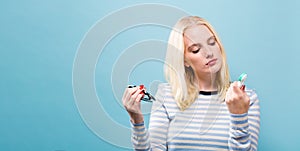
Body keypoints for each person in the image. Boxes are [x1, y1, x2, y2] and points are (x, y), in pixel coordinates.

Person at [122, 16, 260, 151]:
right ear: (184, 60)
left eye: (212, 42)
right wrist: (137, 120)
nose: (209, 53)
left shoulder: (247, 98)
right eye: (196, 50)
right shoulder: (166, 95)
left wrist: (239, 115)